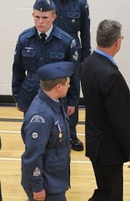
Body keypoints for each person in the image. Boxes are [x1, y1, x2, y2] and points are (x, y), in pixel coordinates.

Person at [81, 19, 130, 201]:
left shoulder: (88, 63)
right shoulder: (111, 75)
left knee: (105, 190)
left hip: (95, 142)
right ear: (117, 42)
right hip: (109, 149)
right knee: (110, 195)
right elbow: (120, 118)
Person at [12, 0, 79, 119]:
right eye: (37, 17)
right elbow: (18, 69)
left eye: (45, 17)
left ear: (54, 17)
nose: (40, 21)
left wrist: (73, 100)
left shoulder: (66, 41)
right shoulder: (25, 39)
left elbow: (73, 73)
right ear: (33, 15)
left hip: (56, 96)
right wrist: (17, 96)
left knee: (57, 133)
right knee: (31, 132)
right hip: (30, 95)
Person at [42, 0, 91, 151]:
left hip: (72, 53)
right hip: (51, 51)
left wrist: (85, 55)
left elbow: (85, 30)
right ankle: (51, 130)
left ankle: (71, 133)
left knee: (71, 90)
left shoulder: (80, 2)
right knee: (51, 89)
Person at [21, 61, 74, 201]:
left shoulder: (54, 103)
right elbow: (33, 155)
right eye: (67, 82)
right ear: (58, 87)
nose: (69, 85)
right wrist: (37, 187)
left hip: (55, 179)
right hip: (47, 183)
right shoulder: (41, 116)